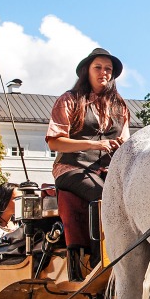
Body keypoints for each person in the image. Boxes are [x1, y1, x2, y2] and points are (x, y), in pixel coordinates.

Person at [45, 48, 130, 263]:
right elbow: (55, 141)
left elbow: (127, 143)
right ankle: (99, 259)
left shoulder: (120, 106)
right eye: (98, 67)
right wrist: (96, 144)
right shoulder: (69, 100)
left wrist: (120, 147)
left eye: (108, 69)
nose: (104, 73)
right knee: (105, 196)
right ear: (87, 71)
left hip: (107, 170)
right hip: (72, 168)